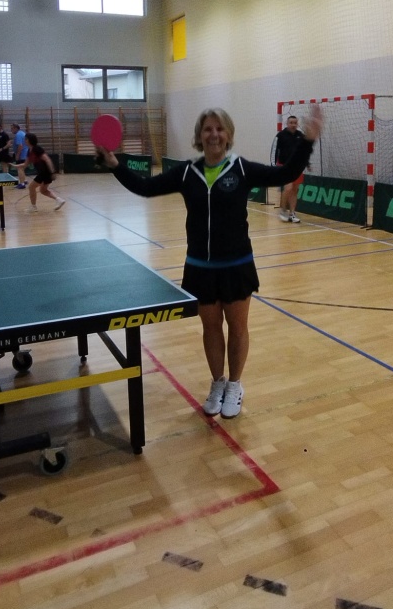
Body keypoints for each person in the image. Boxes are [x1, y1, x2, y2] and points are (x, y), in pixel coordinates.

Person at [95, 104, 322, 420]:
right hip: (200, 267)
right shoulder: (187, 172)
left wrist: (308, 140)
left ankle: (235, 385)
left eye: (219, 128)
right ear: (199, 136)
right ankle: (218, 383)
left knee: (238, 328)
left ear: (228, 135)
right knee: (211, 328)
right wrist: (115, 165)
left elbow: (285, 174)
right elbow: (145, 188)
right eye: (207, 129)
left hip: (237, 265)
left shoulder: (241, 169)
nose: (214, 134)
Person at [274, 114, 310, 223]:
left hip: (297, 167)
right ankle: (283, 211)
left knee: (295, 190)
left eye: (295, 123)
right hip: (284, 166)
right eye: (291, 123)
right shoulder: (281, 135)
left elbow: (304, 151)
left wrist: (307, 163)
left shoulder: (300, 136)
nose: (293, 125)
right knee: (288, 188)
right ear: (287, 123)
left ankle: (292, 214)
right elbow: (276, 151)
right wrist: (276, 165)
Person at [23, 134, 65, 212]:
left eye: (26, 139)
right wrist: (14, 165)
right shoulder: (29, 151)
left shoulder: (37, 149)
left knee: (31, 187)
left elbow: (47, 159)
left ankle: (33, 207)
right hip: (43, 173)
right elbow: (25, 164)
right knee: (43, 190)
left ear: (30, 140)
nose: (25, 140)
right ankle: (59, 200)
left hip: (44, 173)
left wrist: (53, 172)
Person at [11, 122, 29, 188]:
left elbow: (20, 146)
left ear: (16, 128)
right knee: (22, 169)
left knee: (19, 168)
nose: (11, 130)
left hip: (22, 155)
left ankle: (22, 184)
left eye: (12, 129)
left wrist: (17, 155)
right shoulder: (22, 133)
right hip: (25, 154)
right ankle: (24, 181)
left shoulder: (18, 135)